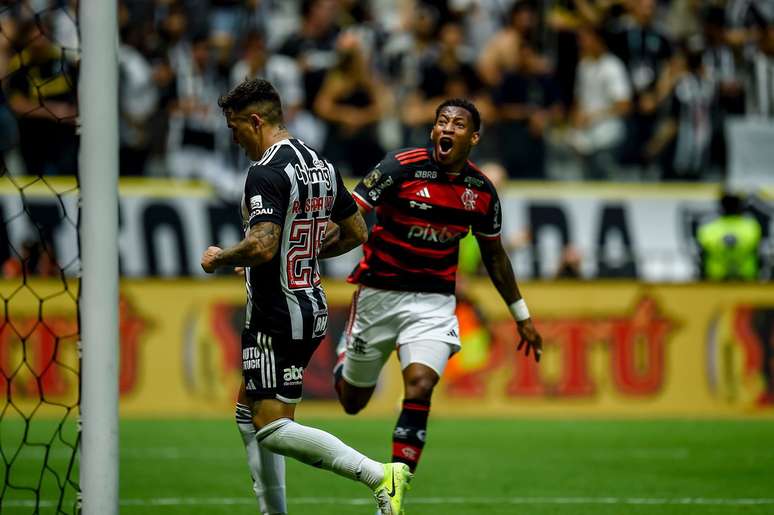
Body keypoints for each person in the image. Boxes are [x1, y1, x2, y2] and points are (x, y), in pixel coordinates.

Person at [200, 78, 412, 515]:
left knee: (271, 427)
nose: (235, 138)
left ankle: (378, 474)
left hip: (274, 312)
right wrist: (294, 252)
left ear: (255, 121)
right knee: (249, 411)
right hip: (308, 304)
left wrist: (223, 257)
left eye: (236, 127)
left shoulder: (265, 172)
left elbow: (261, 243)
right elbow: (357, 231)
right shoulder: (320, 164)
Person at [331, 98, 543, 478]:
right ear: (433, 131)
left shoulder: (481, 192)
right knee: (352, 402)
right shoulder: (399, 167)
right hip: (378, 293)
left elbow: (496, 258)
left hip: (434, 300)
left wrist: (522, 316)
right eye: (442, 122)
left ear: (474, 137)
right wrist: (303, 256)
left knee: (421, 384)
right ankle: (347, 358)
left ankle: (397, 482)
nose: (447, 128)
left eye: (458, 124)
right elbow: (349, 217)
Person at [697, 192, 762, 281]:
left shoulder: (709, 226)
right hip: (742, 275)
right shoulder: (750, 225)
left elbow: (705, 248)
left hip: (719, 275)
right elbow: (753, 245)